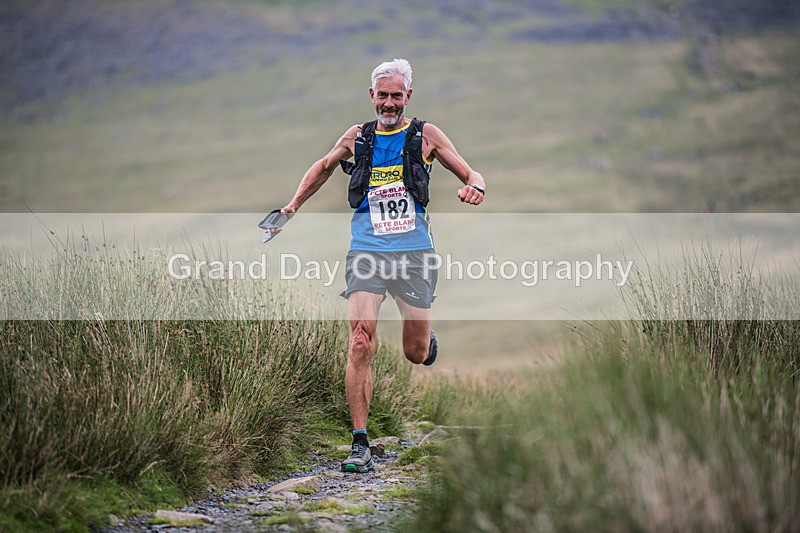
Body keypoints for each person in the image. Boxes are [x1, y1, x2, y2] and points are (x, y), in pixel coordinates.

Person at [277, 58, 485, 473]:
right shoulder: (358, 138)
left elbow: (468, 170)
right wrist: (293, 205)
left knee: (414, 352)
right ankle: (359, 444)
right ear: (372, 96)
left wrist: (475, 186)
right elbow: (321, 168)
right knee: (360, 342)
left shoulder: (426, 135)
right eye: (382, 95)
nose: (389, 103)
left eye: (396, 96)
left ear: (407, 96)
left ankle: (426, 342)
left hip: (414, 256)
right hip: (367, 252)